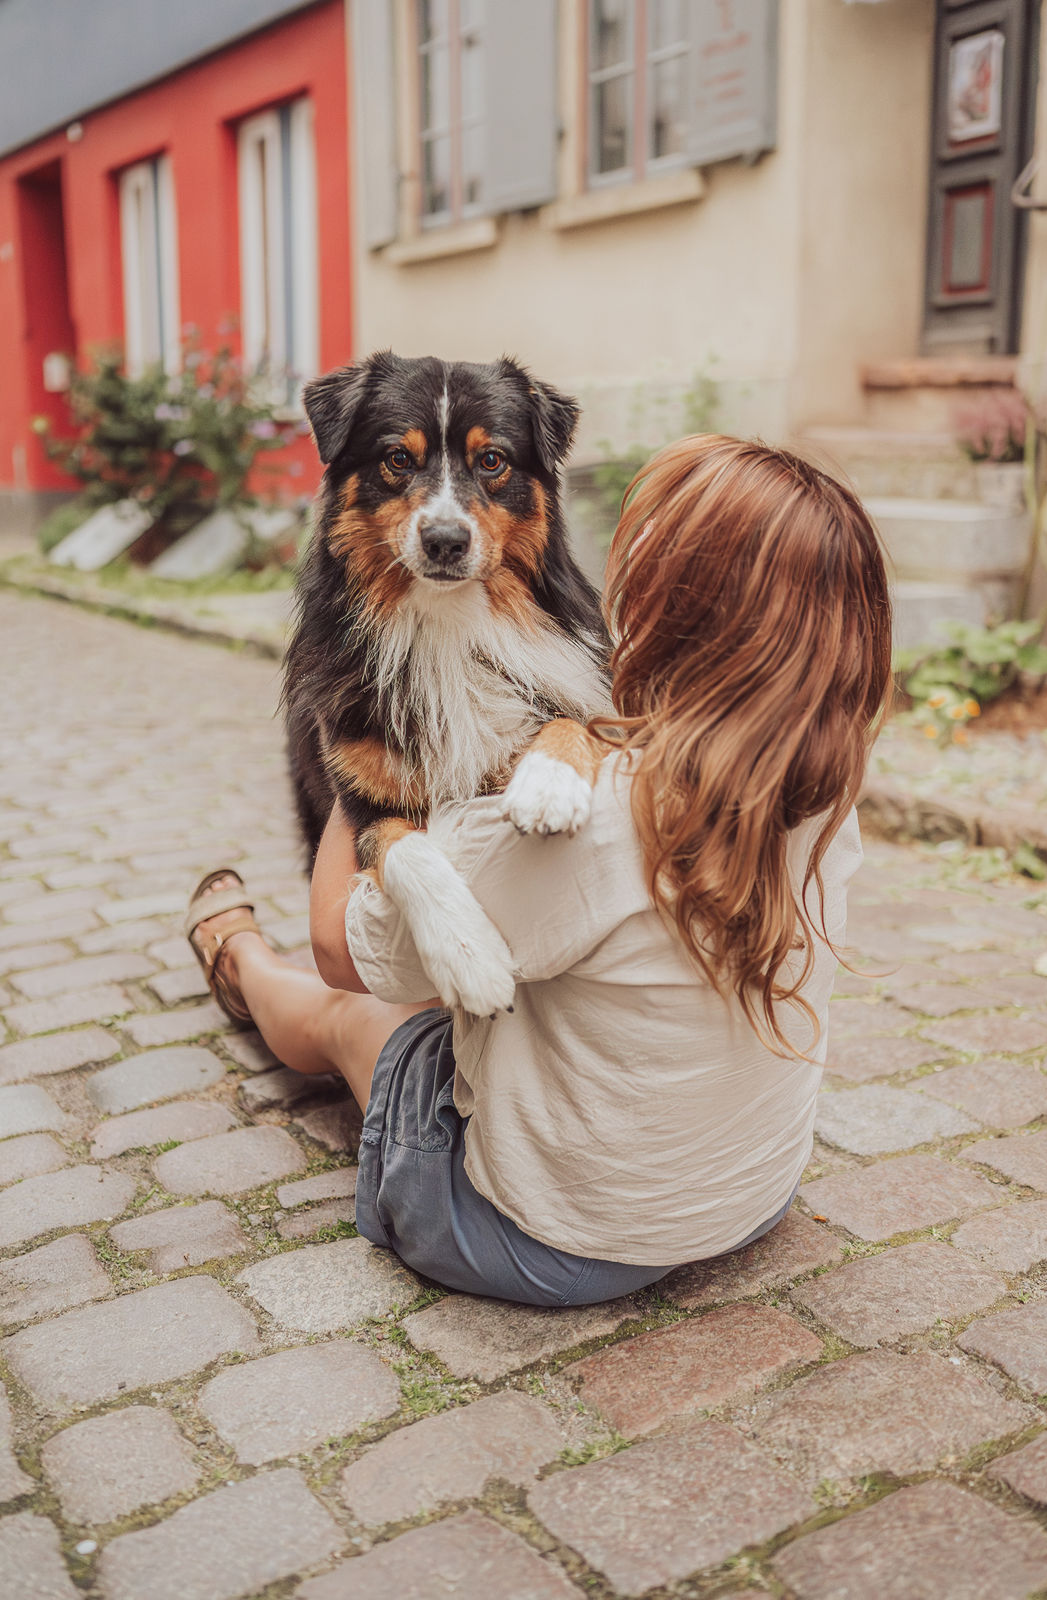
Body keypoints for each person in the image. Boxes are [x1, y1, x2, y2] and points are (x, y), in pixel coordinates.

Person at [185, 435, 892, 1307]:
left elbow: (338, 944)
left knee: (357, 1008)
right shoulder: (825, 782)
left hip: (539, 1241)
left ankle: (237, 956)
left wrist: (360, 747)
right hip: (747, 1197)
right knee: (462, 960)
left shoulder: (587, 817)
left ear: (669, 601)